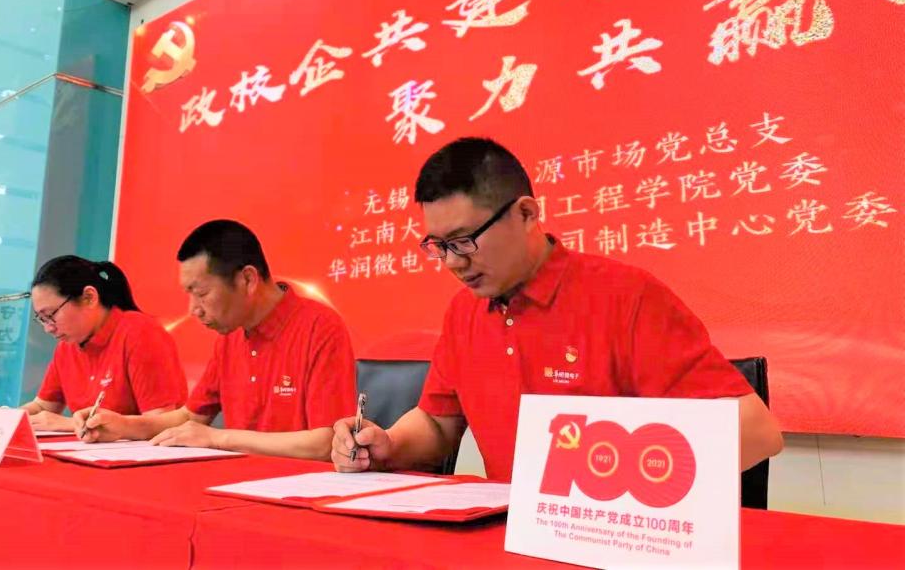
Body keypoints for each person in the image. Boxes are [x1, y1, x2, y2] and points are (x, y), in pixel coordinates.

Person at [331, 137, 783, 479]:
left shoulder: (625, 297)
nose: (452, 262)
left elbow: (756, 431)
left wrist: (607, 471)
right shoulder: (464, 312)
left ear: (526, 214)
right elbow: (437, 422)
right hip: (506, 541)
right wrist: (388, 444)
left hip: (608, 536)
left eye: (465, 241)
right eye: (439, 246)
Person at [75, 220, 357, 460]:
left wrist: (218, 438)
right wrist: (122, 425)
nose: (193, 309)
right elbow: (191, 417)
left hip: (297, 489)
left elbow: (326, 441)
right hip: (233, 483)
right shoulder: (230, 335)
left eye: (201, 294)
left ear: (248, 279)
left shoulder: (320, 327)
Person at [0, 255, 188, 432]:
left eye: (51, 315)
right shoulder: (68, 345)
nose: (48, 328)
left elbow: (162, 422)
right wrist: (0, 418)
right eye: (41, 319)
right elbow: (43, 406)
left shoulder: (140, 333)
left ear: (89, 297)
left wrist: (68, 424)